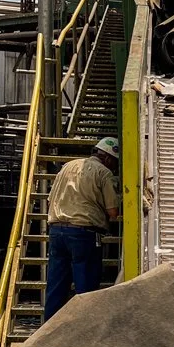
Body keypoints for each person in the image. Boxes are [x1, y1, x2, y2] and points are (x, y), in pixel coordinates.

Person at [42, 137, 120, 322]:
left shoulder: (67, 167)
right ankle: (84, 329)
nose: (114, 168)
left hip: (57, 231)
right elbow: (113, 212)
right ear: (108, 158)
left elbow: (50, 200)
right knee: (86, 288)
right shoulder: (103, 173)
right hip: (84, 234)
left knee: (56, 286)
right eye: (114, 163)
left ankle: (49, 330)